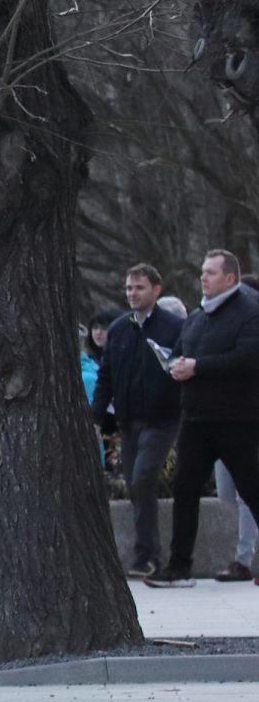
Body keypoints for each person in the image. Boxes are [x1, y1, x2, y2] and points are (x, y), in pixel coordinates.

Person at [149, 249, 259, 587]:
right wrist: (177, 366)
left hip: (237, 420)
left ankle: (245, 559)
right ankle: (179, 566)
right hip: (196, 419)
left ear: (230, 278)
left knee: (253, 491)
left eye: (211, 272)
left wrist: (199, 367)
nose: (203, 278)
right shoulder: (198, 315)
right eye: (203, 272)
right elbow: (184, 348)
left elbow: (247, 358)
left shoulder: (250, 312)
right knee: (185, 491)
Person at [92, 263, 182, 578]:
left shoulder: (173, 327)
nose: (132, 294)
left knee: (143, 478)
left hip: (163, 419)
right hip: (129, 422)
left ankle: (148, 555)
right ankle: (147, 551)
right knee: (134, 483)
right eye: (129, 288)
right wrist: (96, 418)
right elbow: (105, 378)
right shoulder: (119, 329)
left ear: (156, 290)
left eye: (139, 288)